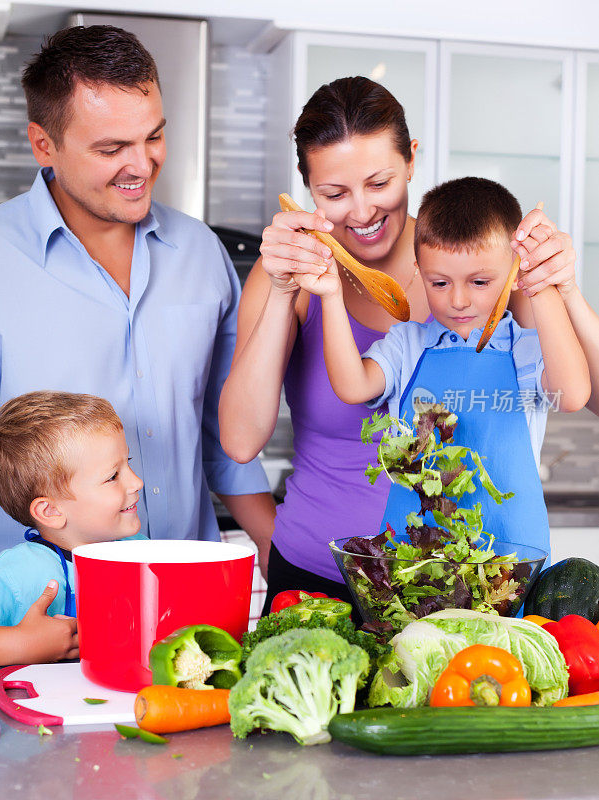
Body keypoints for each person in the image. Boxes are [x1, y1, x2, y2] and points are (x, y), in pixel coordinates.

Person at [218, 77, 582, 613]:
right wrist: (281, 290)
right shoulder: (292, 278)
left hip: (466, 585)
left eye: (379, 182)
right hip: (317, 572)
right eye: (334, 194)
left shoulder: (484, 264)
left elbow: (577, 391)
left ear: (411, 160)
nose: (361, 212)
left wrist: (560, 285)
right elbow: (240, 442)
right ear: (307, 188)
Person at [0, 25, 275, 581]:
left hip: (187, 604)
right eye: (111, 148)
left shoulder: (201, 253)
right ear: (44, 144)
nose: (142, 165)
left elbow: (228, 439)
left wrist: (279, 549)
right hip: (37, 624)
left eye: (153, 137)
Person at [318, 176, 590, 552]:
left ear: (513, 273)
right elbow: (351, 386)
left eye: (479, 282)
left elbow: (573, 394)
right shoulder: (407, 345)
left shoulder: (524, 350)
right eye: (440, 283)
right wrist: (330, 295)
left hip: (510, 556)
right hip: (415, 554)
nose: (458, 300)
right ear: (420, 270)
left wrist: (538, 283)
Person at [0, 391, 148, 665]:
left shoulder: (140, 548)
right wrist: (19, 644)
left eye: (128, 464)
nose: (137, 483)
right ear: (50, 511)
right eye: (113, 476)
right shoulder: (17, 574)